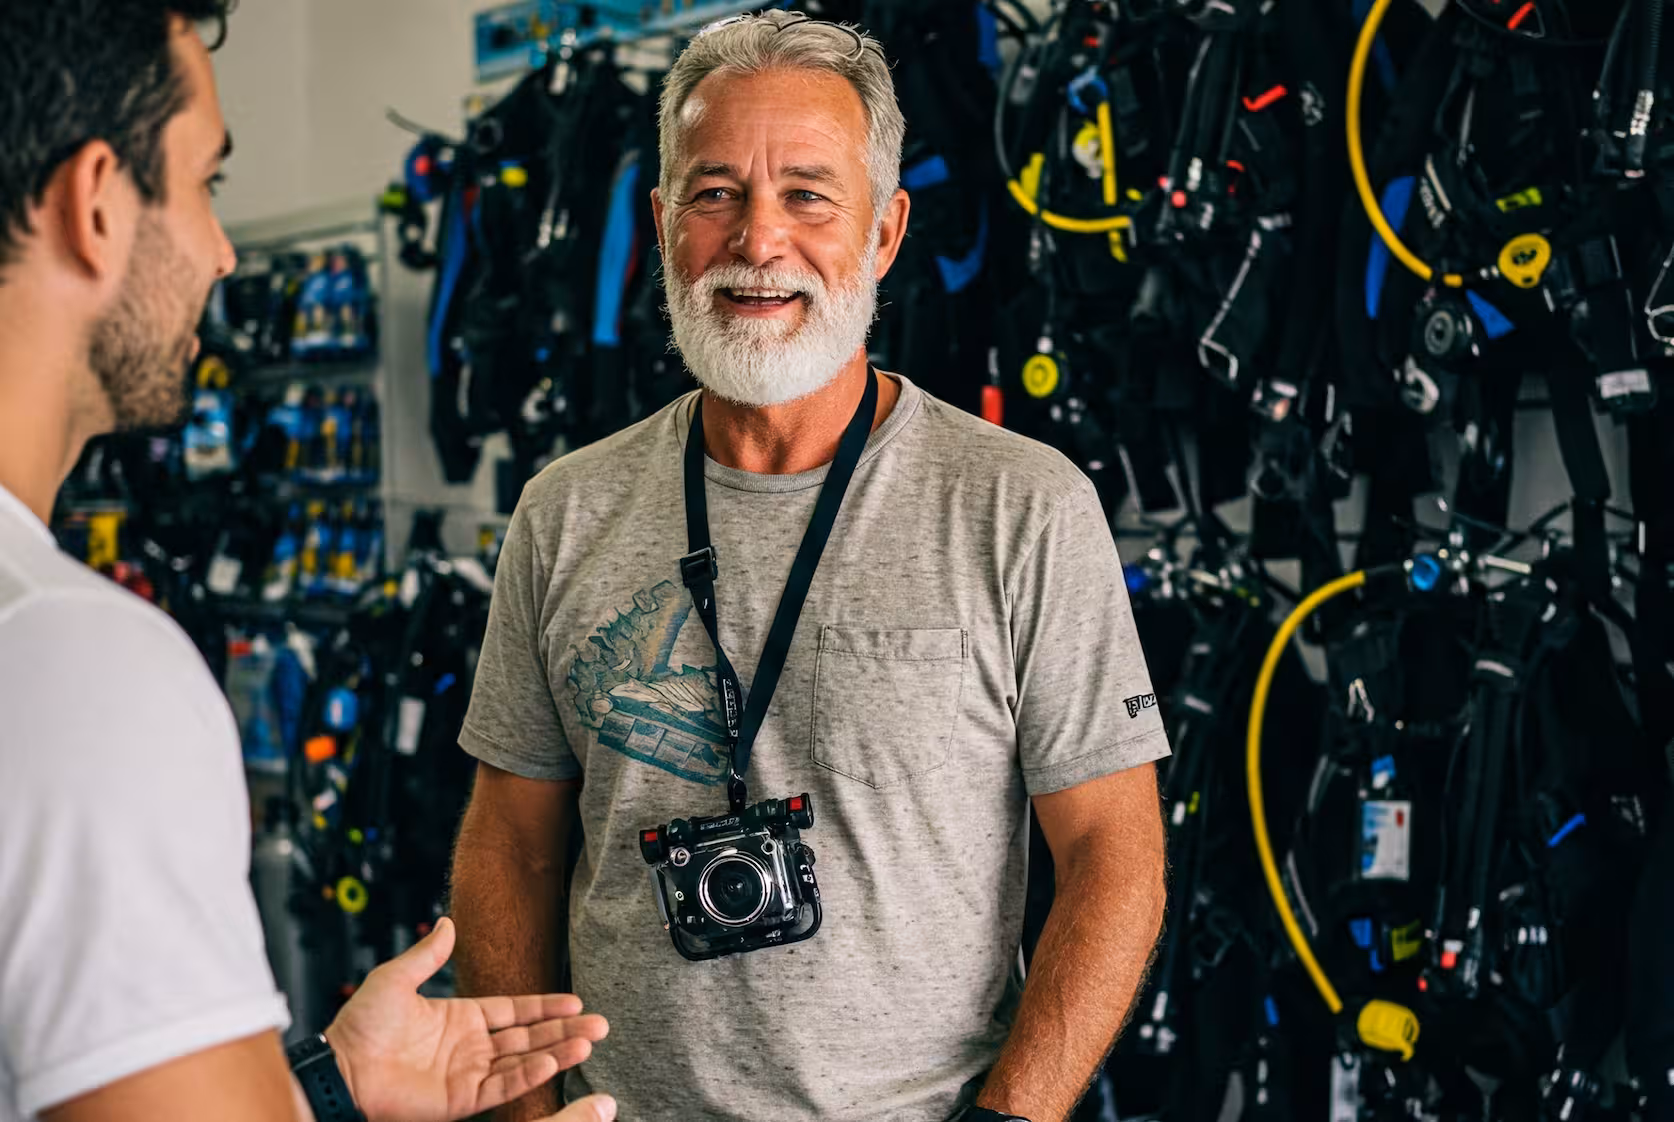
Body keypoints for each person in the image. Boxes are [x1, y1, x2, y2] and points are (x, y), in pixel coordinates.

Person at [449, 11, 1170, 1122]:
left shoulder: (1023, 508)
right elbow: (511, 842)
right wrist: (522, 1107)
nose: (757, 240)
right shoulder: (565, 511)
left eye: (808, 195)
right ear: (661, 224)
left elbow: (1117, 861)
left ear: (884, 232)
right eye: (715, 192)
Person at [0, 4, 617, 1120]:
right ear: (95, 204)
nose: (223, 251)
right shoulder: (67, 661)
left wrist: (324, 1093)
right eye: (205, 186)